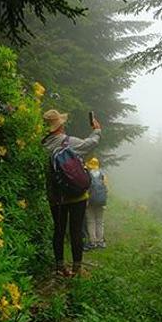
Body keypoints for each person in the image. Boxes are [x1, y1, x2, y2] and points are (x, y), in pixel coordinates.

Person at [41, 109, 101, 277]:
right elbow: (91, 144)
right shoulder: (69, 142)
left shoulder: (42, 146)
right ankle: (77, 268)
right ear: (60, 125)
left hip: (55, 196)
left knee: (58, 231)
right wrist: (96, 130)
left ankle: (60, 267)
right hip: (76, 195)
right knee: (76, 231)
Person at [84, 157, 108, 250]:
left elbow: (86, 189)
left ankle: (92, 242)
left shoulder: (88, 175)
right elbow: (106, 189)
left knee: (91, 222)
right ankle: (100, 241)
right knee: (100, 221)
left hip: (90, 201)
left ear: (90, 165)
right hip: (101, 201)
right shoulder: (103, 174)